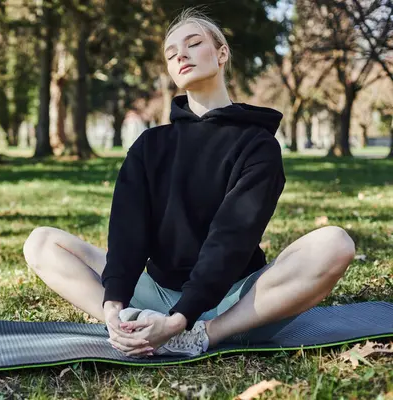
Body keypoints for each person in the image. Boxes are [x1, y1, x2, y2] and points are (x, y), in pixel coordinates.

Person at [22, 8, 356, 358]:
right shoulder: (150, 145)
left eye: (193, 44)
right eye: (171, 53)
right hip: (155, 293)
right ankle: (128, 328)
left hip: (233, 303)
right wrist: (113, 308)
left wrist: (181, 320)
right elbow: (127, 234)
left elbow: (231, 238)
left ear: (221, 53)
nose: (180, 54)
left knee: (335, 243)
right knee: (42, 242)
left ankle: (202, 336)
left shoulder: (258, 146)